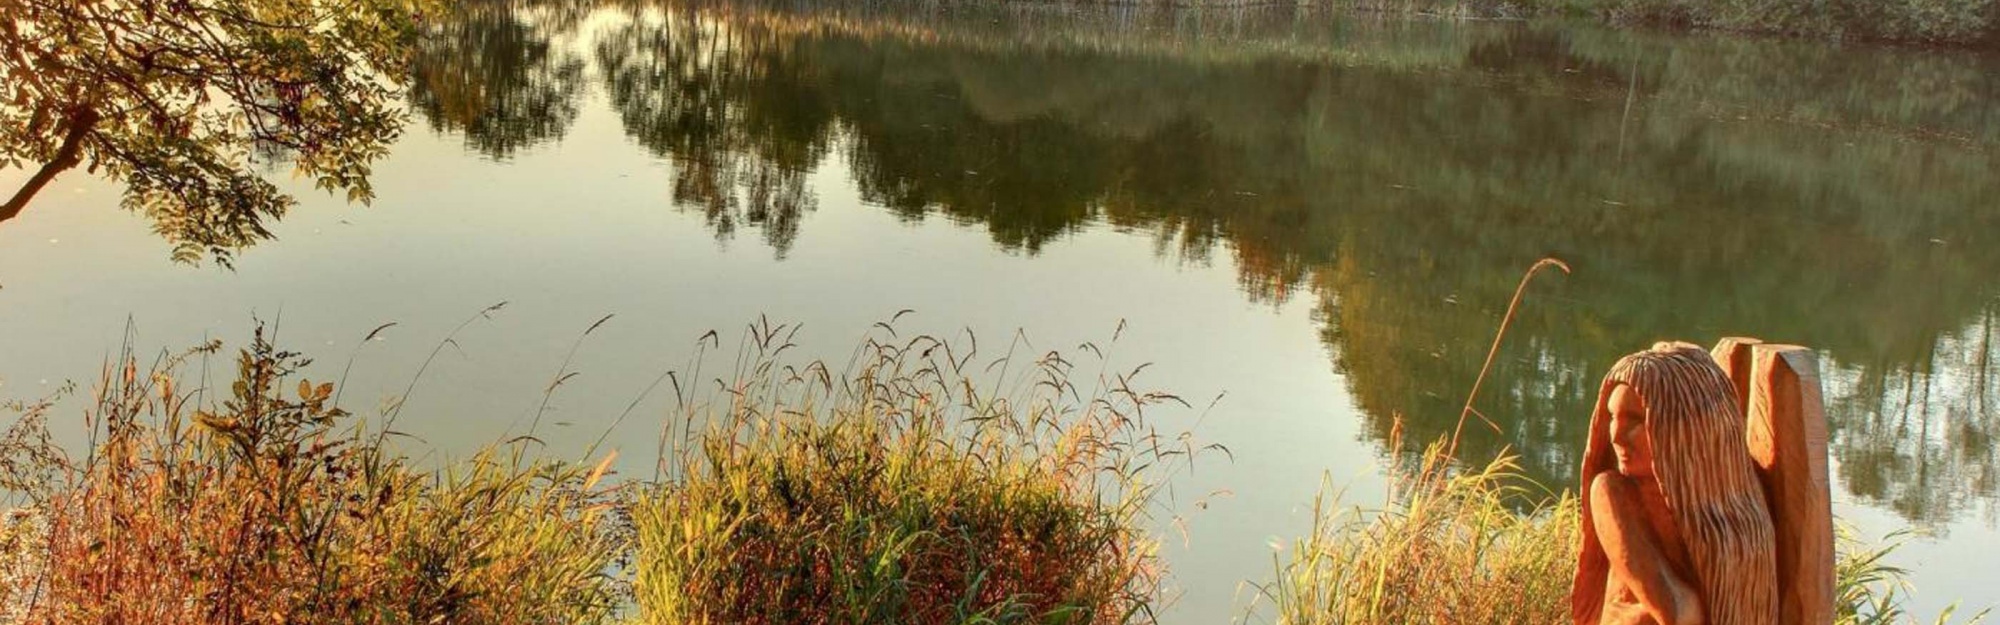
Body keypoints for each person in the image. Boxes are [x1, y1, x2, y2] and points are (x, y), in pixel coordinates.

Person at [1572, 342, 1778, 625]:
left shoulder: (1742, 496)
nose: (1616, 436)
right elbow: (1679, 611)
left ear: (1684, 427)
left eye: (1635, 421)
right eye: (1611, 417)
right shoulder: (1611, 491)